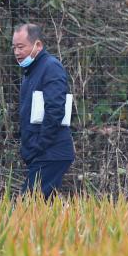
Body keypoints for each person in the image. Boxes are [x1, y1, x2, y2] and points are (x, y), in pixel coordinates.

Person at [13, 23, 75, 198]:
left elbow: (55, 110)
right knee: (44, 210)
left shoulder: (50, 67)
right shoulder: (31, 71)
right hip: (44, 152)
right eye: (14, 47)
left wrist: (38, 146)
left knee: (27, 206)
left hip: (50, 152)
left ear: (38, 45)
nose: (17, 52)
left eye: (21, 47)